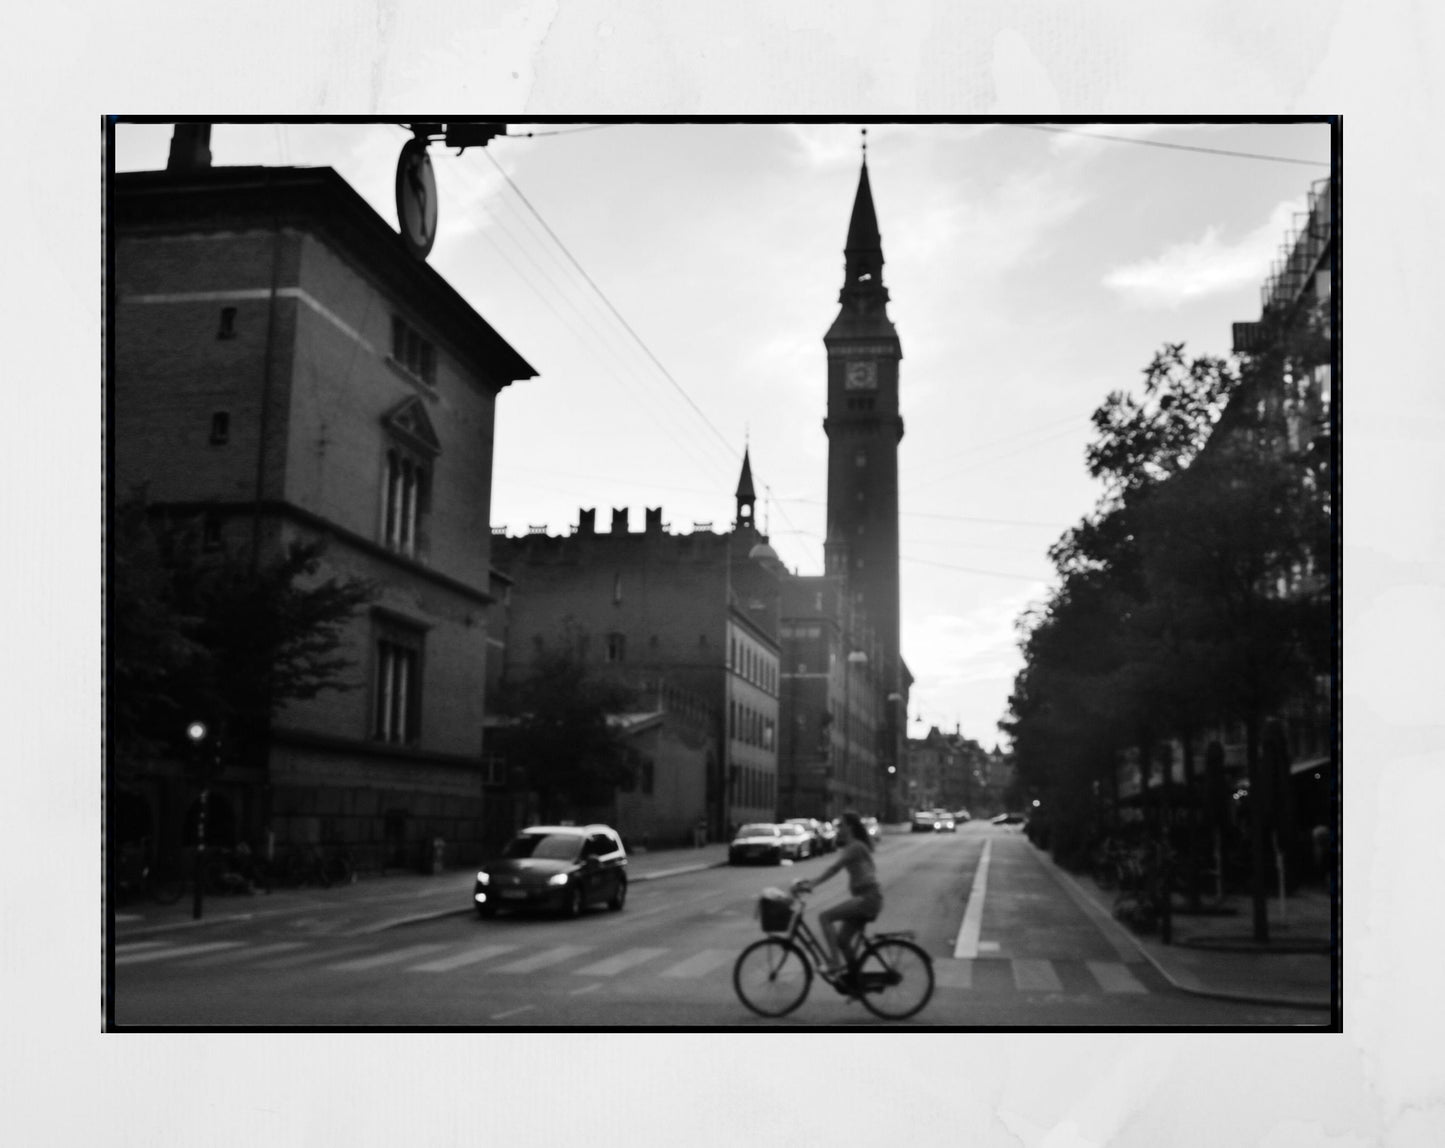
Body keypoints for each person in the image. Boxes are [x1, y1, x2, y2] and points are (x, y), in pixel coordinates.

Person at [793, 810, 882, 976]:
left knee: (824, 917)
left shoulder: (855, 847)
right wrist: (810, 882)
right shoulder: (855, 846)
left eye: (841, 825)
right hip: (867, 898)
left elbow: (835, 868)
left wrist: (813, 883)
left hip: (868, 899)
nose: (838, 829)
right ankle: (855, 980)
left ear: (850, 827)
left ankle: (835, 962)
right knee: (842, 940)